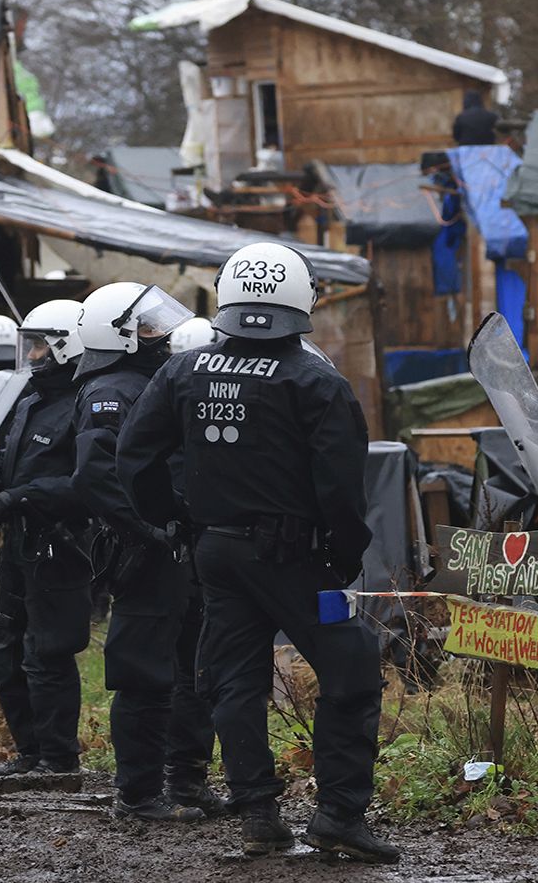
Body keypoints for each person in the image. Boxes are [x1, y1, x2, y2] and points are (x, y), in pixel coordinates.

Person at [115, 243, 394, 863]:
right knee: (352, 671)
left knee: (234, 682)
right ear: (302, 298)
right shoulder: (315, 381)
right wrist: (343, 556)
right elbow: (343, 487)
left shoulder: (182, 372)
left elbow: (134, 456)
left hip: (216, 554)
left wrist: (174, 518)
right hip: (298, 560)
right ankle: (340, 815)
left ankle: (259, 816)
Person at [72, 282, 221, 822]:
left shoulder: (153, 380)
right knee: (144, 674)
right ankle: (139, 794)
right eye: (148, 326)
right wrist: (153, 529)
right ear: (119, 335)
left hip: (181, 547)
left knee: (193, 669)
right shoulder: (111, 390)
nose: (160, 333)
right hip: (146, 553)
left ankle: (187, 784)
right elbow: (97, 475)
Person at [0, 299, 91, 777]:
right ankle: (30, 752)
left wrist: (24, 496)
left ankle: (58, 759)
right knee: (5, 647)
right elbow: (11, 460)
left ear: (67, 347)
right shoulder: (29, 402)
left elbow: (88, 482)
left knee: (48, 652)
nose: (31, 355)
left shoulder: (83, 404)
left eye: (41, 346)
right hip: (18, 545)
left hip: (59, 546)